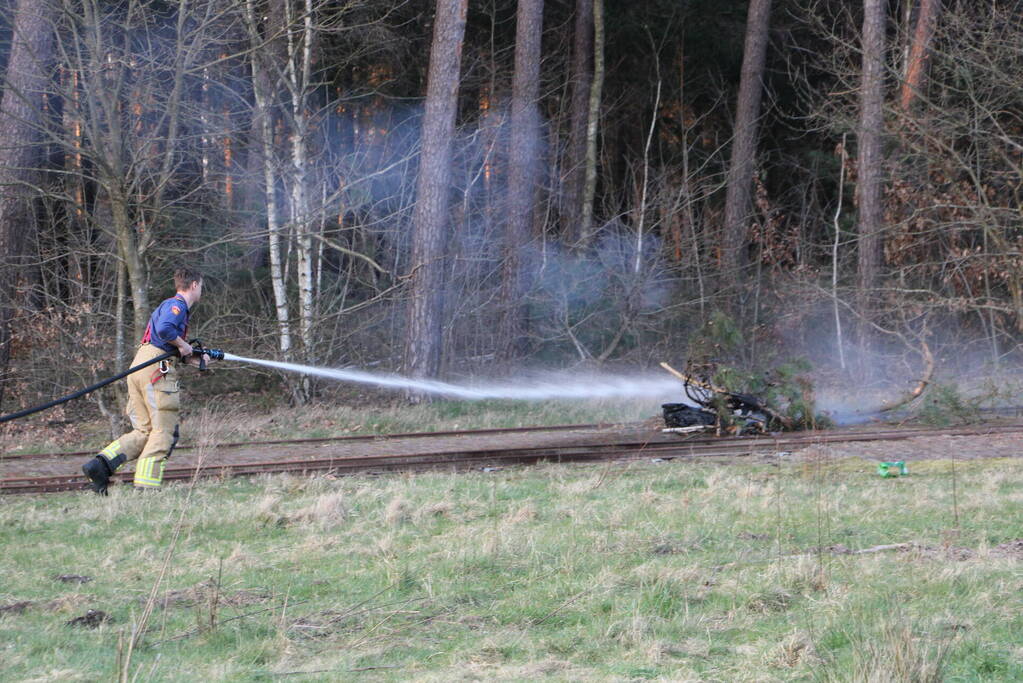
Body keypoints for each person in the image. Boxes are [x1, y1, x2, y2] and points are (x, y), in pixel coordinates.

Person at [82, 267, 213, 494]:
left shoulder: (167, 305)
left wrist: (192, 357)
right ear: (194, 285)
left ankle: (100, 465)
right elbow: (165, 330)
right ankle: (147, 488)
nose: (201, 290)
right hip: (156, 371)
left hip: (141, 365)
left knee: (145, 431)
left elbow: (163, 342)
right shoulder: (178, 305)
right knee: (164, 431)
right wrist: (183, 345)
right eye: (201, 286)